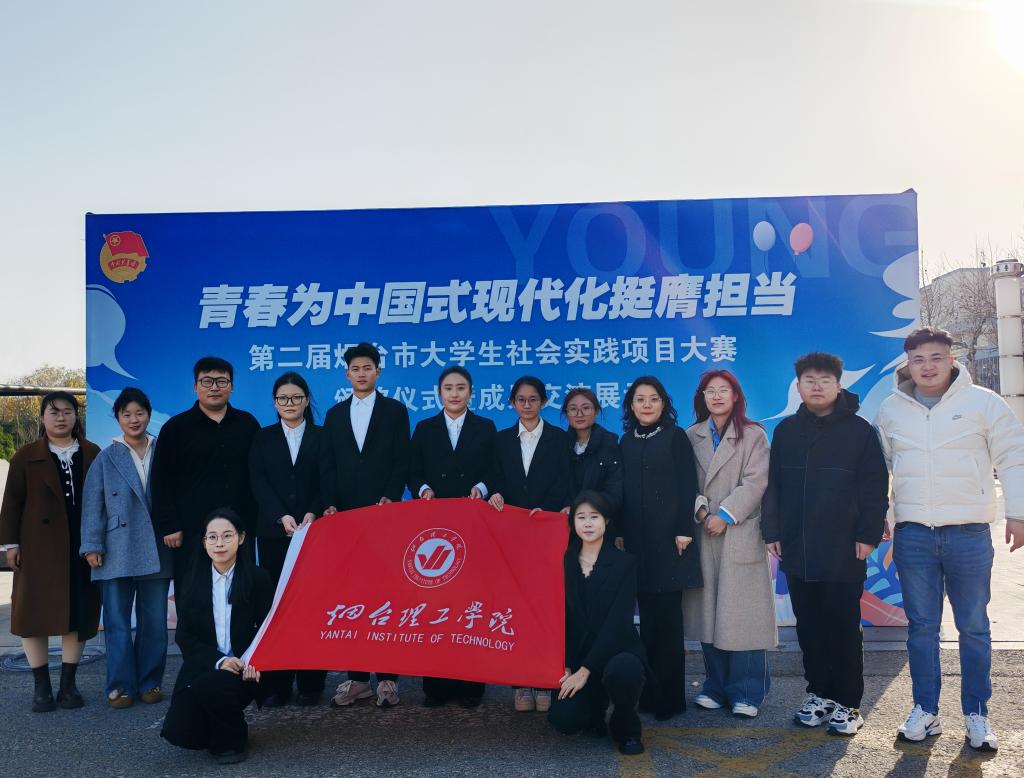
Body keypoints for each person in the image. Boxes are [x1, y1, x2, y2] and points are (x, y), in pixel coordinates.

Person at [875, 327, 1024, 752]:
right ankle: (926, 709)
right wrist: (880, 516)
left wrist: (1019, 513)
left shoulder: (983, 403)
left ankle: (977, 713)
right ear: (908, 364)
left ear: (951, 359)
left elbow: (1014, 455)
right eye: (918, 359)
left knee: (973, 626)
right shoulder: (890, 409)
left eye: (936, 357)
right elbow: (879, 468)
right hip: (913, 535)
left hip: (968, 533)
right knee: (921, 628)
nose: (928, 366)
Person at [761, 353, 888, 735]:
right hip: (797, 547)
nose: (816, 386)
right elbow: (773, 486)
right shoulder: (786, 431)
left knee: (843, 628)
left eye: (824, 380)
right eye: (809, 380)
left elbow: (874, 488)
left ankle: (848, 703)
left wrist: (867, 535)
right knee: (810, 628)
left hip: (843, 547)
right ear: (798, 386)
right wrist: (773, 531)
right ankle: (819, 694)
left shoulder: (859, 431)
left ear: (838, 384)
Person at [321, 342, 410, 708]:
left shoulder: (395, 411)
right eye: (355, 368)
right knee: (353, 599)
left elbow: (402, 459)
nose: (361, 373)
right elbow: (328, 464)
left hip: (385, 517)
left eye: (367, 367)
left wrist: (390, 496)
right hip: (346, 520)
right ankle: (358, 679)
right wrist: (331, 503)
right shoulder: (334, 415)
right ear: (347, 374)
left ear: (378, 371)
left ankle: (388, 679)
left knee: (388, 596)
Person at [0, 391, 101, 712]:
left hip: (81, 547)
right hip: (38, 548)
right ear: (42, 418)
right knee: (33, 614)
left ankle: (68, 686)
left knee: (77, 614)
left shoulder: (92, 452)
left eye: (67, 411)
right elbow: (11, 503)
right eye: (53, 412)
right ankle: (41, 688)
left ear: (76, 416)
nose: (61, 417)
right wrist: (11, 544)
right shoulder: (25, 456)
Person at [685, 370, 774, 719]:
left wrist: (724, 514)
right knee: (709, 615)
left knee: (742, 616)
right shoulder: (691, 435)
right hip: (704, 530)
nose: (717, 396)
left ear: (736, 396)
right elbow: (684, 481)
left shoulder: (753, 434)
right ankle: (715, 686)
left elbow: (757, 482)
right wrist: (702, 511)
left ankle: (748, 691)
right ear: (702, 397)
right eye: (711, 391)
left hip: (738, 530)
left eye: (724, 390)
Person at [408, 365, 497, 708]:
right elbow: (413, 470)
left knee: (470, 602)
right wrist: (423, 488)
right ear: (439, 393)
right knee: (435, 602)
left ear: (471, 392)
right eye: (448, 388)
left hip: (473, 527)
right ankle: (436, 686)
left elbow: (494, 469)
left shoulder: (485, 427)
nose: (455, 393)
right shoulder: (424, 428)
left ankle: (471, 686)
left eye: (461, 387)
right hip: (434, 529)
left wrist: (482, 488)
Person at [80, 387, 173, 709]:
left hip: (157, 545)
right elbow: (93, 504)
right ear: (117, 418)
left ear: (148, 415)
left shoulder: (164, 451)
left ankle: (150, 682)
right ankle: (120, 685)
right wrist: (92, 545)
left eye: (139, 413)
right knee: (117, 621)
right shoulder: (106, 457)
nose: (134, 419)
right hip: (115, 547)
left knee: (155, 621)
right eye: (126, 414)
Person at [160, 509, 273, 765]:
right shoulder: (192, 580)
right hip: (207, 664)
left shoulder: (258, 578)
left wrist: (254, 661)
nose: (219, 543)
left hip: (247, 668)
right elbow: (185, 636)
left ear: (241, 538)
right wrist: (220, 661)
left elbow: (268, 628)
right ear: (204, 542)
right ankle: (220, 724)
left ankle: (234, 738)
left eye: (227, 536)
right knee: (179, 731)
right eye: (212, 537)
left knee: (215, 690)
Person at [618, 376, 700, 721]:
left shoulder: (675, 436)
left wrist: (684, 529)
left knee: (667, 625)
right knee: (647, 624)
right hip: (637, 543)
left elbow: (688, 483)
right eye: (640, 399)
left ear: (664, 403)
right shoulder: (626, 440)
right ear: (631, 405)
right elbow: (622, 491)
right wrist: (619, 533)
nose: (647, 405)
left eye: (653, 399)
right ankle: (649, 695)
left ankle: (670, 700)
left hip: (669, 542)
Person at [488, 375, 571, 714]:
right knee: (516, 608)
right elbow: (494, 477)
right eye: (520, 399)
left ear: (544, 402)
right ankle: (520, 682)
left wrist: (546, 509)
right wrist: (495, 492)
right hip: (512, 536)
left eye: (533, 399)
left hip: (547, 533)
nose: (526, 405)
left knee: (546, 608)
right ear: (512, 403)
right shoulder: (501, 439)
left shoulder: (559, 439)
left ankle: (545, 682)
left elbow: (566, 481)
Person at [248, 371, 327, 707]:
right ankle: (276, 685)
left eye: (296, 397)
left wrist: (313, 512)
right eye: (283, 398)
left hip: (315, 533)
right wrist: (280, 516)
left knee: (311, 605)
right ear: (275, 402)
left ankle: (311, 684)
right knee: (275, 607)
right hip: (273, 534)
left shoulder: (322, 436)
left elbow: (328, 480)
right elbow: (258, 482)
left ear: (306, 400)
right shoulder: (262, 438)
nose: (290, 403)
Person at [150, 357, 260, 597]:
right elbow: (160, 480)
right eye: (207, 381)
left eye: (221, 381)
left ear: (231, 387)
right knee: (193, 593)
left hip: (239, 528)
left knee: (241, 592)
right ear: (195, 386)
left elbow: (260, 474)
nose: (214, 387)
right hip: (191, 530)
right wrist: (170, 526)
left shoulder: (248, 424)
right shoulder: (175, 428)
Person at [548, 491, 647, 756]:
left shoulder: (625, 563)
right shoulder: (563, 561)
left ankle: (626, 727)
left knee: (624, 670)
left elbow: (618, 622)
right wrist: (565, 664)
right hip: (578, 656)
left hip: (617, 650)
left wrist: (586, 670)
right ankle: (594, 711)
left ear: (606, 521)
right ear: (573, 523)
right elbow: (557, 616)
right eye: (581, 517)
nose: (588, 523)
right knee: (564, 720)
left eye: (594, 517)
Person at [562, 387, 623, 520]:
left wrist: (583, 508)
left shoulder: (610, 444)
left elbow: (615, 490)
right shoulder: (559, 444)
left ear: (596, 411)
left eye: (586, 408)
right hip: (563, 520)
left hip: (598, 521)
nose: (579, 414)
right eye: (573, 409)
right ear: (566, 414)